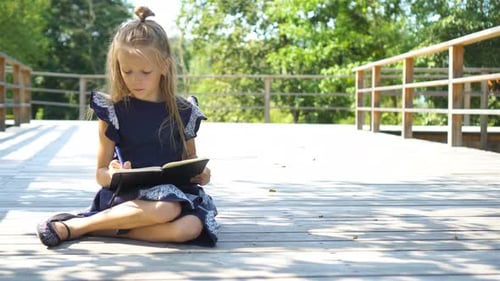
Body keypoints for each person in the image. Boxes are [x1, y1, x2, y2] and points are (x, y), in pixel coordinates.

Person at [36, 6, 219, 247]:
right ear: (118, 66)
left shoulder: (184, 111)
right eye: (127, 71)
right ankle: (76, 226)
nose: (135, 79)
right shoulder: (113, 111)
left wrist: (202, 175)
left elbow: (191, 160)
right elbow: (100, 173)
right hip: (130, 197)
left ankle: (99, 229)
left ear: (164, 66)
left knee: (190, 228)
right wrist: (111, 174)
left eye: (145, 71)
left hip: (179, 195)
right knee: (166, 209)